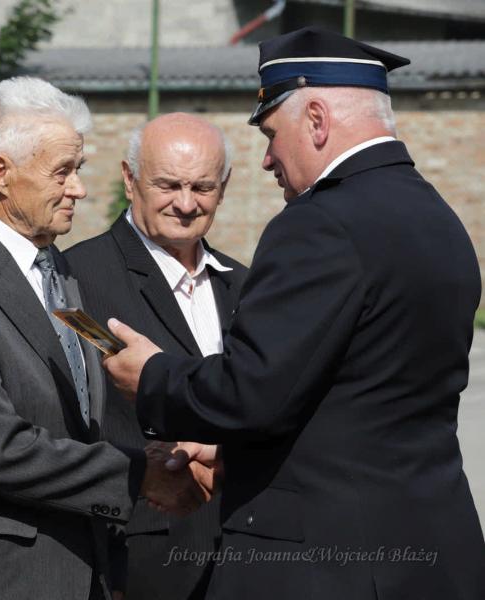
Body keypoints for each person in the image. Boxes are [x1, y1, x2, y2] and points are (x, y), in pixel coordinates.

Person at [103, 26, 485, 599]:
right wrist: (236, 454)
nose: (266, 160)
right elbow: (356, 401)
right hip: (430, 552)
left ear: (317, 120)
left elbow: (251, 392)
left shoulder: (319, 223)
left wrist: (152, 375)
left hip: (328, 565)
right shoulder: (439, 219)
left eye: (271, 134)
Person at [0, 77, 211, 600]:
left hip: (88, 566)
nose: (79, 189)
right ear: (0, 173)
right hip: (4, 578)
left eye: (79, 169)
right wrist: (138, 473)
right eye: (63, 172)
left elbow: (77, 418)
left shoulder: (55, 266)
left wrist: (161, 450)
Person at [65, 113, 247, 600]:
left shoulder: (245, 284)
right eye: (168, 185)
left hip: (243, 555)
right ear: (129, 179)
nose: (185, 204)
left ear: (224, 187)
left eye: (202, 187)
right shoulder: (76, 278)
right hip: (136, 560)